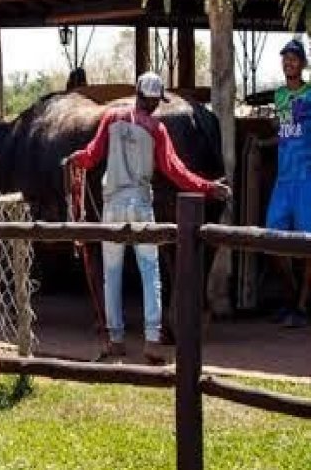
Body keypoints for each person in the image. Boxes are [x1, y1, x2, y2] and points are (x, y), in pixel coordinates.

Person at [64, 72, 230, 363]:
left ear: (138, 93)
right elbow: (176, 171)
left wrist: (74, 158)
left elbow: (91, 156)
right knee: (150, 273)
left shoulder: (111, 118)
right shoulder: (157, 129)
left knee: (111, 274)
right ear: (154, 100)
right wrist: (208, 187)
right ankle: (152, 340)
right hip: (141, 203)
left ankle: (115, 339)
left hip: (112, 206)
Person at [265, 39, 311, 327]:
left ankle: (302, 306)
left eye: (294, 58)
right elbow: (284, 133)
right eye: (285, 58)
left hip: (306, 179)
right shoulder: (279, 95)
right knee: (271, 240)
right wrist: (262, 143)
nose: (288, 62)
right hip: (283, 180)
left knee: (308, 243)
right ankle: (292, 297)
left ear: (303, 64)